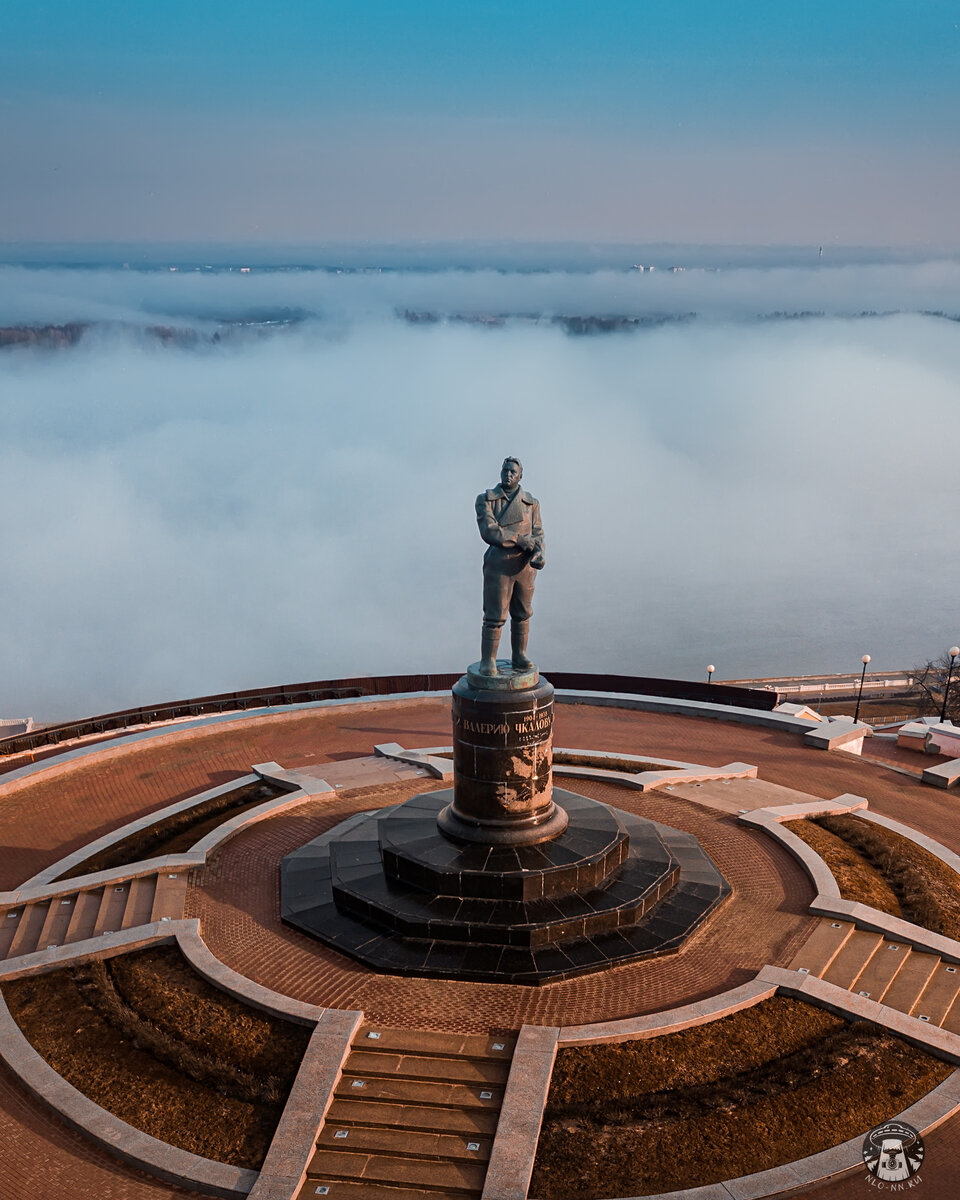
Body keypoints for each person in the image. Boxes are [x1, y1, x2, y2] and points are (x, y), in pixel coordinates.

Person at [475, 457, 545, 675]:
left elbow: (538, 533)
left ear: (520, 475)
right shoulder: (486, 500)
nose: (508, 474)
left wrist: (539, 552)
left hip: (524, 567)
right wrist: (519, 540)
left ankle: (519, 655)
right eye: (505, 470)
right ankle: (488, 660)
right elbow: (489, 530)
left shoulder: (531, 503)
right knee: (495, 616)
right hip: (499, 565)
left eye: (513, 472)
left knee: (522, 613)